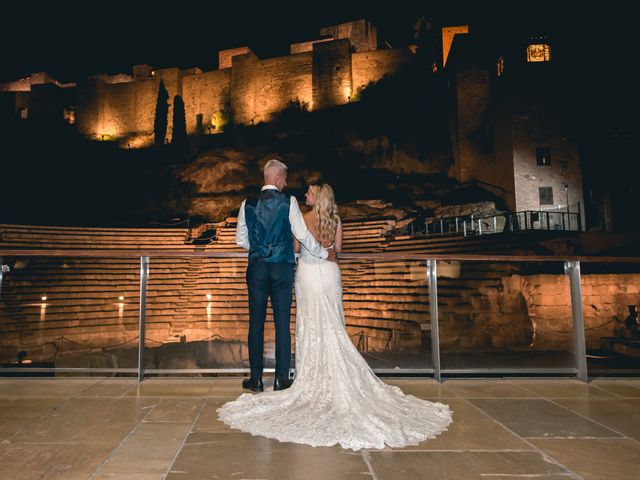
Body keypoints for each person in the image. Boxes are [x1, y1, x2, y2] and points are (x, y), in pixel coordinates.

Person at [219, 183, 452, 450]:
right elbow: (336, 251)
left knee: (309, 326)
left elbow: (297, 245)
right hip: (330, 275)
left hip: (307, 274)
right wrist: (324, 255)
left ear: (316, 197)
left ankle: (298, 377)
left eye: (309, 192)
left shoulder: (304, 218)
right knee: (333, 325)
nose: (305, 194)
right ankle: (300, 375)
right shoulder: (337, 220)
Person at [234, 158, 333, 393]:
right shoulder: (288, 202)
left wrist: (259, 248)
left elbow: (240, 239)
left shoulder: (246, 203)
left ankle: (256, 379)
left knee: (255, 323)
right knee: (281, 323)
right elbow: (301, 234)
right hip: (282, 268)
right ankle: (281, 379)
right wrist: (322, 253)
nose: (286, 184)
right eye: (285, 179)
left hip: (257, 268)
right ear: (278, 179)